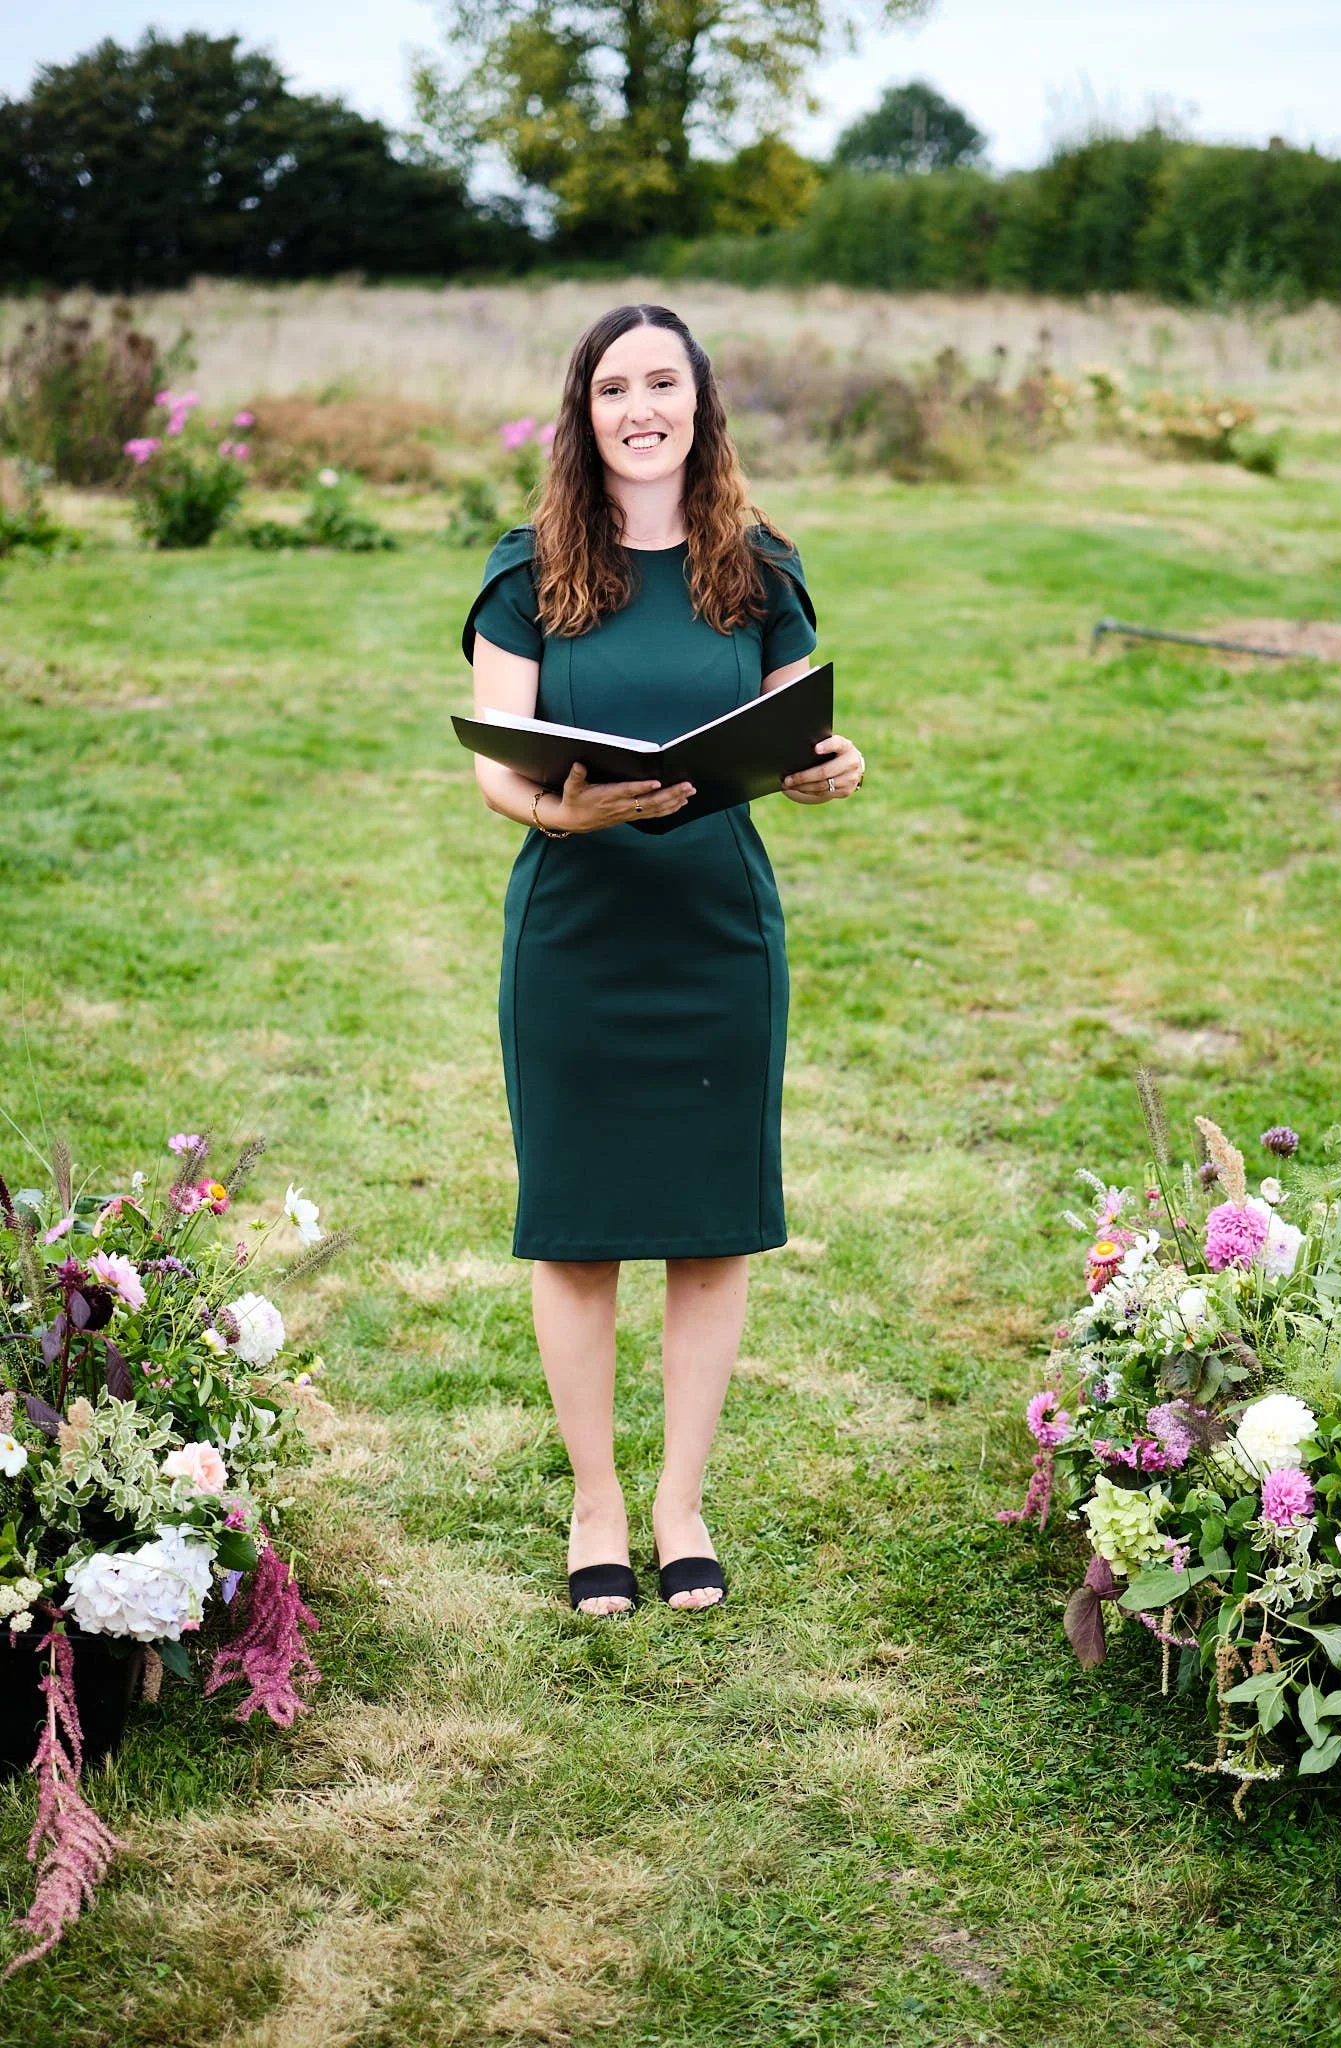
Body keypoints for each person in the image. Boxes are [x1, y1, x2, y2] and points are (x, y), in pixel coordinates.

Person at [462, 303, 865, 1616]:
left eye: (666, 386)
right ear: (584, 412)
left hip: (718, 935)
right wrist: (557, 809)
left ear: (701, 405)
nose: (644, 409)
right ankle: (596, 1508)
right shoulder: (529, 573)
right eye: (617, 387)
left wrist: (830, 771)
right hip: (578, 932)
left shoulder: (760, 568)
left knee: (709, 1234)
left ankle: (681, 1503)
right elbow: (492, 757)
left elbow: (802, 728)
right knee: (576, 1234)